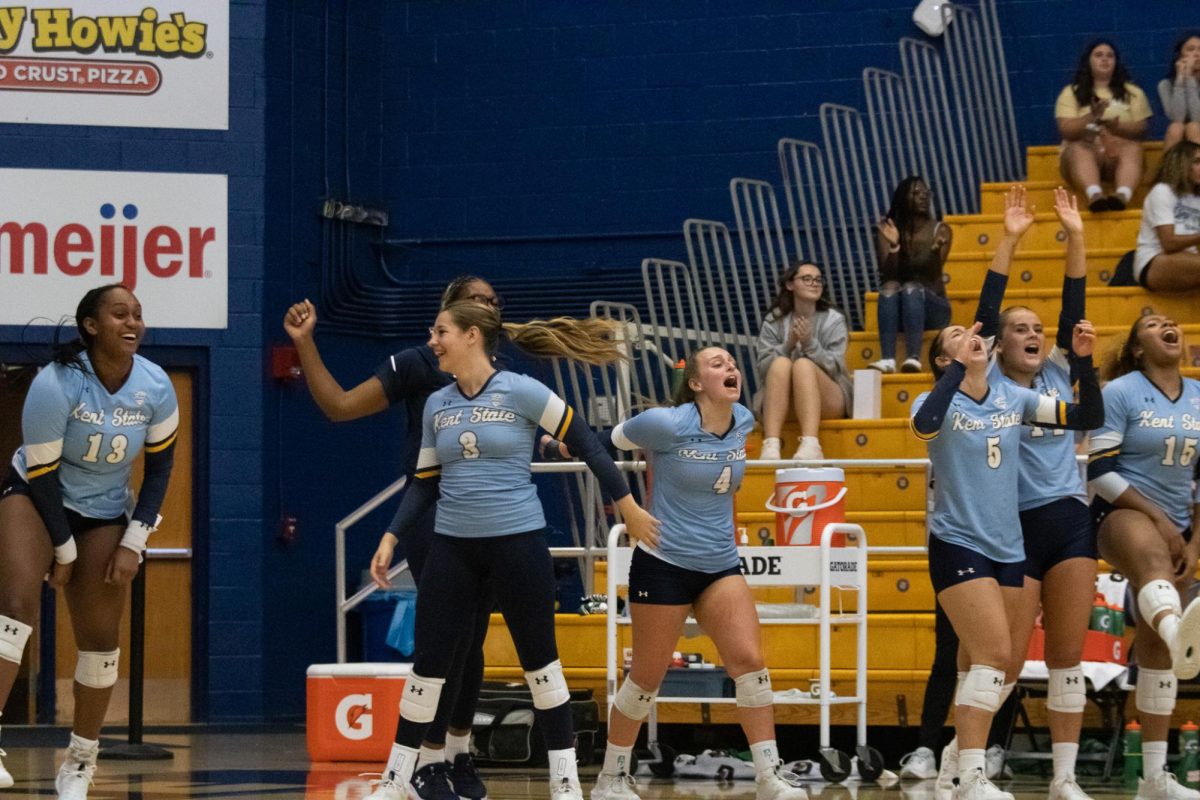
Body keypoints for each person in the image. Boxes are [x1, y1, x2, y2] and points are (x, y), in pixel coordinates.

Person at [364, 301, 659, 800]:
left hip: (518, 546)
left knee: (541, 665)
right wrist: (391, 535)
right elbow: (424, 482)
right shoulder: (438, 404)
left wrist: (626, 504)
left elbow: (587, 442)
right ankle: (395, 782)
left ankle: (565, 785)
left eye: (441, 332)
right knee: (428, 669)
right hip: (453, 550)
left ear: (472, 336)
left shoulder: (522, 391)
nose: (432, 342)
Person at [282, 275, 501, 800]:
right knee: (445, 638)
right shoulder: (418, 362)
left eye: (494, 302)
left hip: (487, 515)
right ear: (448, 311)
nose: (488, 307)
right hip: (432, 512)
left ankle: (457, 754)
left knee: (473, 644)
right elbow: (338, 405)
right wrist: (304, 342)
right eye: (477, 300)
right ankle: (422, 761)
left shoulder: (502, 375)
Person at [552, 347, 806, 800]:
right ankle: (612, 778)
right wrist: (565, 441)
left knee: (749, 663)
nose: (730, 368)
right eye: (716, 364)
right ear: (694, 382)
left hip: (719, 564)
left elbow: (723, 489)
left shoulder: (743, 420)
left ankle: (769, 776)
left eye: (731, 363)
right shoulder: (665, 423)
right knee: (647, 677)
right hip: (664, 563)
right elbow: (604, 441)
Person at [911, 293, 1103, 800]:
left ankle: (961, 763)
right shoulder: (934, 402)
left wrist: (1083, 361)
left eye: (974, 334)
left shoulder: (1009, 399)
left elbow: (1085, 416)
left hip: (1008, 544)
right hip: (957, 540)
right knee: (994, 656)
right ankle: (971, 774)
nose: (969, 336)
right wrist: (959, 367)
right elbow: (924, 423)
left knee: (1002, 665)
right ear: (942, 359)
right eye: (955, 337)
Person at [0, 284, 178, 799]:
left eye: (138, 315)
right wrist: (64, 549)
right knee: (16, 610)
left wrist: (134, 541)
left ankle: (79, 762)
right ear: (91, 326)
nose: (133, 322)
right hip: (36, 496)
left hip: (103, 512)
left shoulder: (156, 385)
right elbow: (42, 473)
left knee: (101, 642)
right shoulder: (57, 383)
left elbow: (162, 467)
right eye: (119, 313)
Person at [984, 185, 1100, 800]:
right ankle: (964, 760)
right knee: (1002, 660)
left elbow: (1074, 308)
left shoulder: (1059, 370)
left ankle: (1063, 778)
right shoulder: (990, 384)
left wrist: (1076, 235)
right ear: (999, 343)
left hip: (1068, 518)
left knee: (1066, 656)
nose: (1032, 334)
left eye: (1036, 328)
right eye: (1018, 329)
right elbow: (985, 310)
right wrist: (1010, 237)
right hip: (1011, 526)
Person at [1088, 314, 1200, 800]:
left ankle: (1154, 779)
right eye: (1154, 325)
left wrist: (1194, 543)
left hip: (1180, 522)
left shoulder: (1198, 395)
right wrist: (1157, 516)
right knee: (1155, 563)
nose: (1168, 327)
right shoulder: (1121, 392)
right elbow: (1100, 470)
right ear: (1137, 348)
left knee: (1154, 651)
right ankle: (1185, 635)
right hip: (1121, 509)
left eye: (1171, 322)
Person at [755, 261, 851, 461]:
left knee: (803, 365)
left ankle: (811, 443)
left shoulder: (833, 320)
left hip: (829, 398)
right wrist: (788, 345)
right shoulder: (774, 321)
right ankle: (771, 445)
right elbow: (763, 371)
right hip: (780, 402)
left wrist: (809, 344)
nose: (814, 284)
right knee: (780, 363)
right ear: (790, 285)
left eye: (818, 280)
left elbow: (836, 369)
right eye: (806, 279)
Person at [1055, 39, 1151, 213]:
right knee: (1078, 149)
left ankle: (1122, 196)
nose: (1105, 59)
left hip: (1118, 151)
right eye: (1099, 55)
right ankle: (1094, 195)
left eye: (1110, 56)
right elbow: (1066, 130)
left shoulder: (1133, 92)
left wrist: (1116, 128)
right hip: (1083, 153)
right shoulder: (1071, 92)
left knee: (1134, 149)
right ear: (1088, 61)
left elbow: (1141, 128)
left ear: (1116, 62)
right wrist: (1093, 116)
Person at [872, 176, 953, 374]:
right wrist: (894, 246)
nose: (924, 197)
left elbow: (931, 274)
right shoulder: (889, 229)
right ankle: (888, 359)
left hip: (935, 309)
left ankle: (913, 358)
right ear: (903, 197)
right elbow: (888, 274)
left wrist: (934, 250)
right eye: (917, 193)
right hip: (900, 311)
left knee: (911, 288)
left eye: (926, 193)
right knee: (889, 288)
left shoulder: (940, 230)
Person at [1133, 140, 1200, 291]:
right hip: (1154, 260)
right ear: (1182, 164)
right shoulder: (1162, 191)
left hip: (1188, 259)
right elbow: (1169, 243)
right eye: (1197, 162)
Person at [1159, 32, 1200, 151]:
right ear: (1180, 55)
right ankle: (1170, 169)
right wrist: (1181, 79)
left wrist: (1191, 79)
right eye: (1191, 49)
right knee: (1175, 128)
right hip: (1181, 133)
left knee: (1193, 127)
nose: (1196, 54)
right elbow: (1177, 118)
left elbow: (1197, 118)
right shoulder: (1165, 85)